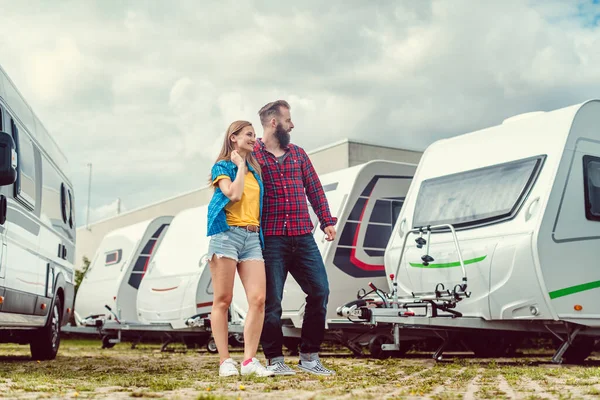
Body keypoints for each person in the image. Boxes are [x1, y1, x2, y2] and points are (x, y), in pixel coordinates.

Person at [254, 100, 338, 376]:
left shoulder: (298, 154)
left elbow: (314, 189)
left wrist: (326, 220)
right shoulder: (252, 154)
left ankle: (309, 357)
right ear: (273, 123)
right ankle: (275, 359)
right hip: (272, 239)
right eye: (288, 119)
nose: (293, 124)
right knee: (272, 302)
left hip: (303, 237)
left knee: (320, 291)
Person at [206, 120, 274, 377]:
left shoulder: (256, 173)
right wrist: (240, 165)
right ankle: (225, 361)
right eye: (249, 134)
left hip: (252, 238)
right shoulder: (222, 166)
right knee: (223, 300)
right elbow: (233, 195)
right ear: (233, 138)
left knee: (258, 300)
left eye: (255, 135)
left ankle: (248, 361)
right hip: (226, 236)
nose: (254, 138)